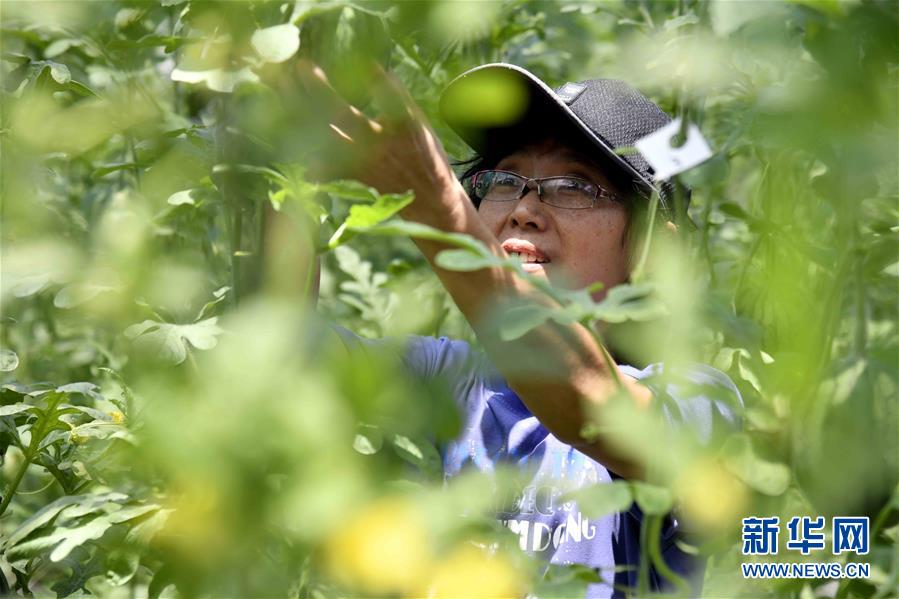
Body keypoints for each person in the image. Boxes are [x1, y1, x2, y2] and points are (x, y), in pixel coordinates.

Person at [295, 61, 742, 598]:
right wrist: (281, 177)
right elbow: (282, 354)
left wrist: (436, 206)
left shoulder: (701, 406)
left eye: (574, 186)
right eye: (506, 180)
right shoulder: (454, 380)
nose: (525, 209)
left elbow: (590, 403)